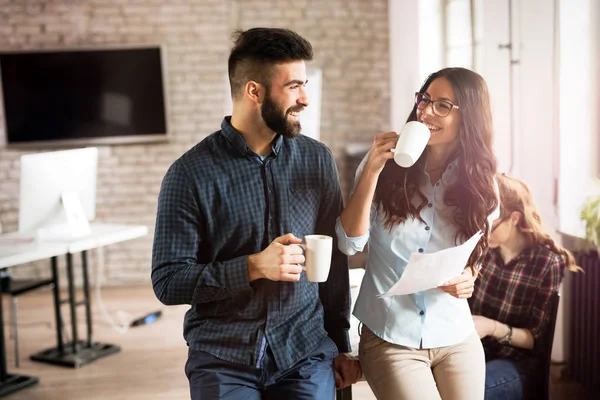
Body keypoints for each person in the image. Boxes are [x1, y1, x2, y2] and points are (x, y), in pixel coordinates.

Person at [151, 27, 361, 399]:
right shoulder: (189, 174)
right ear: (254, 91)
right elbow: (168, 281)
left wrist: (341, 343)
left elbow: (334, 265)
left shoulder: (317, 159)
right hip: (222, 354)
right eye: (294, 86)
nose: (306, 99)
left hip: (305, 349)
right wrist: (252, 266)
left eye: (305, 84)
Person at [336, 67, 500, 400]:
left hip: (455, 333)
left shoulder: (481, 181)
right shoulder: (384, 166)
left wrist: (469, 274)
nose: (425, 111)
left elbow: (475, 250)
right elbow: (349, 243)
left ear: (469, 117)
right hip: (390, 333)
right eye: (424, 100)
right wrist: (372, 170)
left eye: (442, 106)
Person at [470, 173, 580, 400]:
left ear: (515, 219)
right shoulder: (485, 252)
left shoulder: (547, 262)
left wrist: (491, 327)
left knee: (469, 392)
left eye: (491, 224)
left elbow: (536, 341)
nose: (484, 231)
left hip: (517, 362)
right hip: (475, 349)